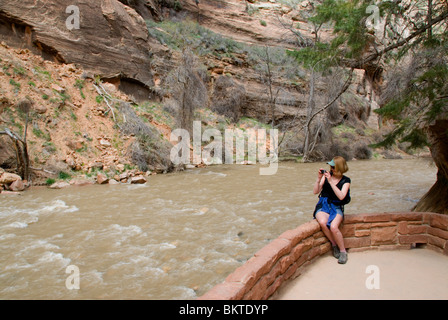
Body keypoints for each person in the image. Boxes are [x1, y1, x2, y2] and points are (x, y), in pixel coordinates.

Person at [313, 156, 351, 264]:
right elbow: (315, 192)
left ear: (339, 168)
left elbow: (341, 196)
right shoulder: (326, 177)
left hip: (336, 206)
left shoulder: (346, 180)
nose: (331, 169)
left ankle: (343, 251)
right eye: (331, 166)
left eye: (333, 167)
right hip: (323, 205)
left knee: (334, 227)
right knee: (323, 222)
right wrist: (319, 179)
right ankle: (334, 245)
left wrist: (331, 182)